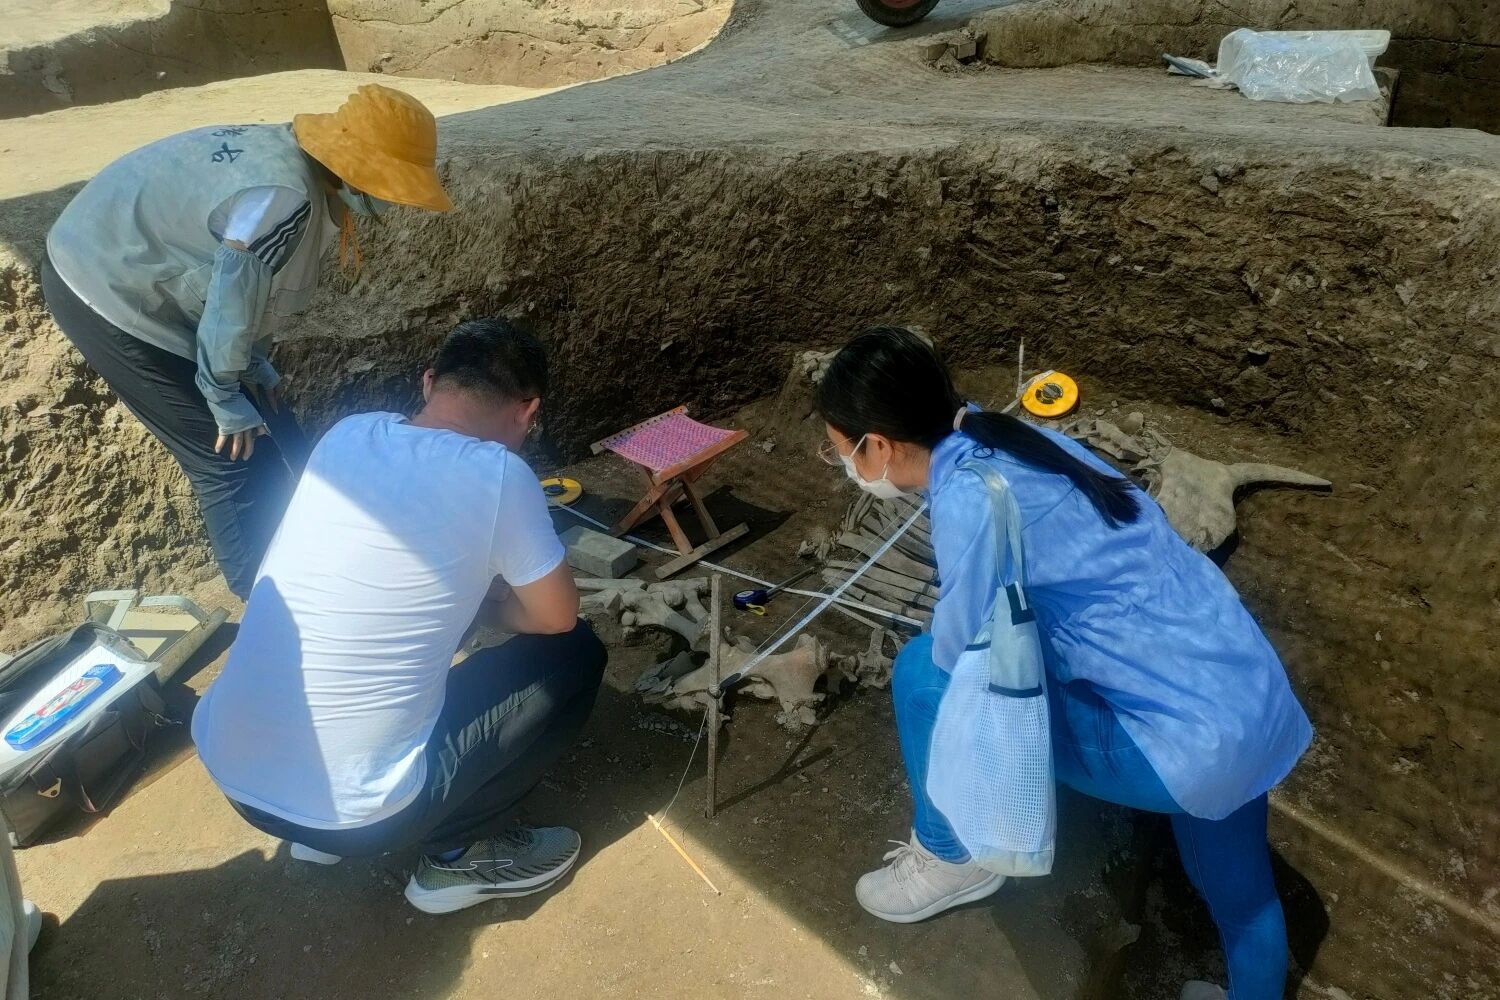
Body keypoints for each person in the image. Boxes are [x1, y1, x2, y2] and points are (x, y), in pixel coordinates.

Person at [813, 327, 1312, 1000]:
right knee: (1243, 896)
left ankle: (953, 857)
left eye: (840, 450)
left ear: (879, 444)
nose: (845, 465)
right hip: (1249, 697)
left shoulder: (968, 498)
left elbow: (959, 653)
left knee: (920, 673)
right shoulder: (1019, 437)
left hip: (1184, 743)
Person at [191, 318, 607, 915]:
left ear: (429, 382)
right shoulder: (500, 474)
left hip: (234, 775)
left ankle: (315, 836)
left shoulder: (348, 434)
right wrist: (490, 603)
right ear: (528, 411)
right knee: (577, 654)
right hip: (361, 818)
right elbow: (557, 616)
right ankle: (459, 854)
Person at [41, 84, 454, 599]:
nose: (391, 199)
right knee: (229, 458)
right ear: (356, 167)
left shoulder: (297, 169)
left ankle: (308, 564)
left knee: (275, 427)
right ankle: (266, 604)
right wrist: (222, 394)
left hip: (141, 271)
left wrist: (252, 364)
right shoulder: (282, 197)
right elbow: (233, 295)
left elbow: (240, 283)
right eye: (390, 184)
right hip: (103, 285)